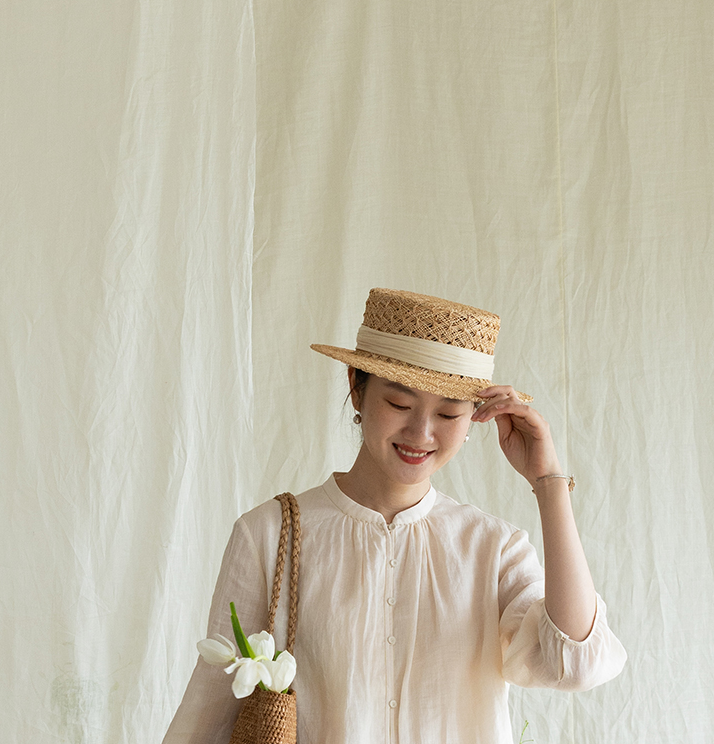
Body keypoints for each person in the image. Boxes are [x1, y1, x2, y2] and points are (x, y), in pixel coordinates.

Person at [162, 288, 626, 744]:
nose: (421, 433)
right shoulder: (267, 534)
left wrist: (547, 482)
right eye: (399, 404)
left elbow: (575, 663)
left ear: (474, 418)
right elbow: (210, 712)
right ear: (356, 387)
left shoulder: (494, 548)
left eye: (449, 414)